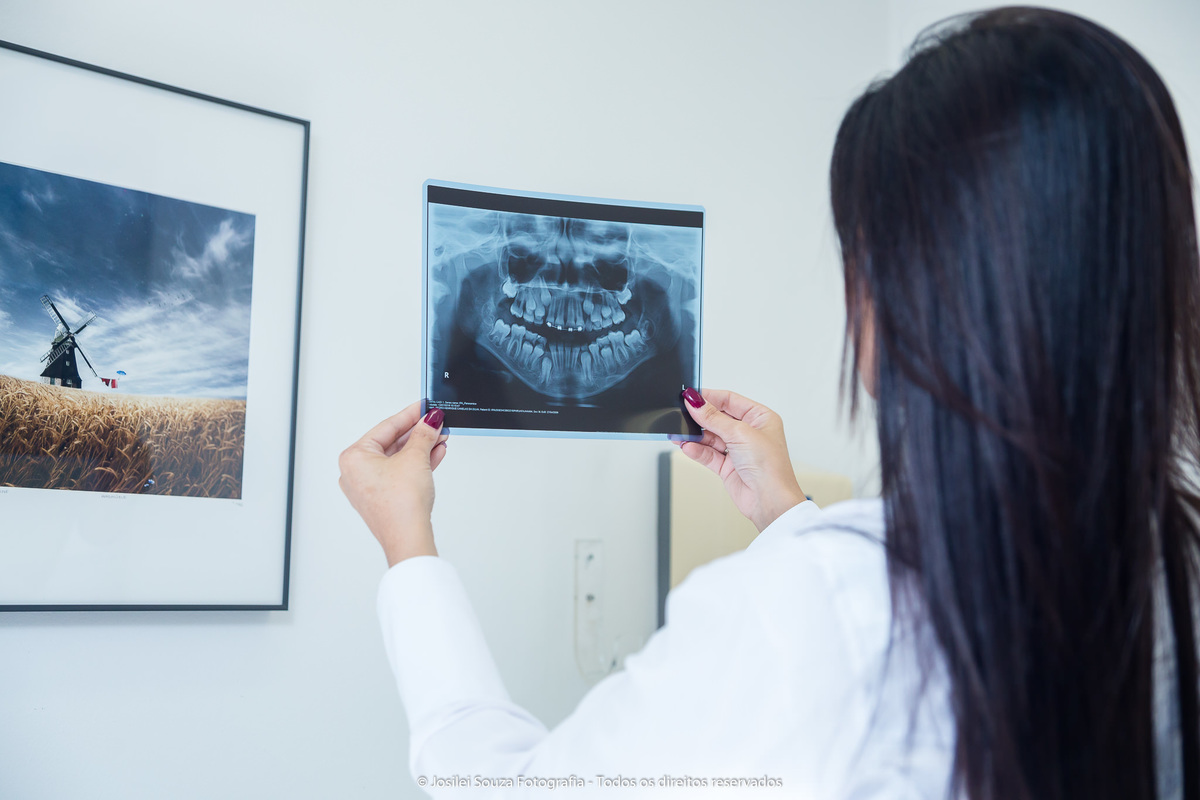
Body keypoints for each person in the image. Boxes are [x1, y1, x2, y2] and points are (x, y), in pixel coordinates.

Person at [338, 7, 1200, 799]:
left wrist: (406, 544)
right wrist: (791, 516)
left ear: (902, 295)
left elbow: (507, 788)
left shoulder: (802, 614)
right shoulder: (1178, 564)